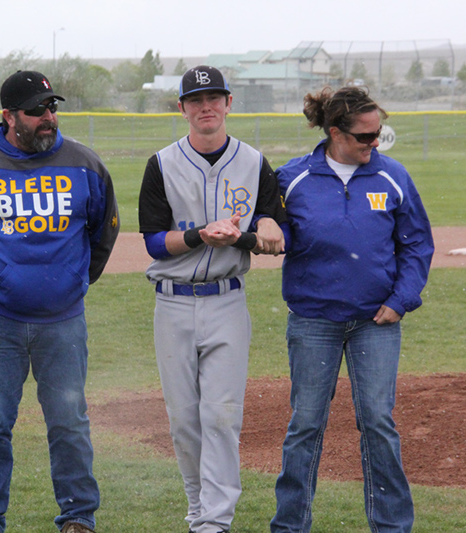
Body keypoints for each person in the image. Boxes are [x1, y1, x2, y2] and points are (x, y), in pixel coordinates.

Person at [0, 70, 119, 533]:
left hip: (63, 322)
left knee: (69, 421)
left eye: (51, 108)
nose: (48, 117)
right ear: (9, 116)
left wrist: (76, 280)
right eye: (36, 110)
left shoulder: (84, 164)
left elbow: (105, 229)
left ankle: (78, 516)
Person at [270, 86, 434, 533]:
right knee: (305, 425)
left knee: (378, 423)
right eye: (365, 136)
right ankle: (289, 526)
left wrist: (401, 300)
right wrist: (267, 228)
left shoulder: (392, 176)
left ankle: (391, 527)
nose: (374, 143)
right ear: (335, 132)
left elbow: (417, 244)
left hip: (374, 323)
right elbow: (270, 226)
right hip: (313, 321)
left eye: (378, 133)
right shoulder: (292, 178)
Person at [138, 65, 286, 533]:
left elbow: (275, 230)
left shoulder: (254, 162)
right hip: (173, 303)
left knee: (221, 417)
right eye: (196, 100)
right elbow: (155, 243)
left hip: (227, 302)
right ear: (182, 108)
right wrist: (200, 235)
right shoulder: (162, 164)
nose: (207, 107)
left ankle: (213, 523)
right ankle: (197, 507)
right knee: (184, 420)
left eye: (214, 98)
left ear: (228, 103)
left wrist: (256, 232)